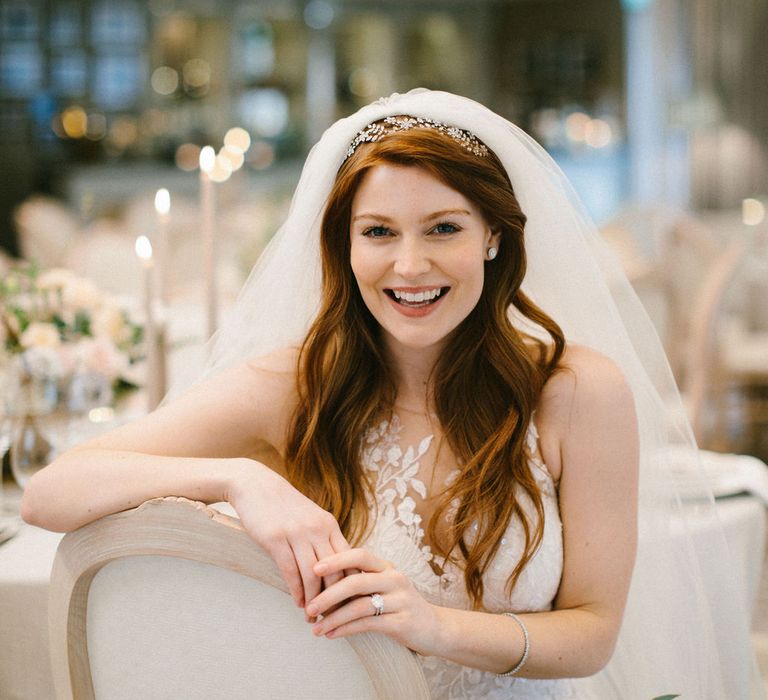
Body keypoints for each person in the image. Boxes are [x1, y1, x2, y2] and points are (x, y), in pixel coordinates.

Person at [22, 90, 762, 699]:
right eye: (378, 232)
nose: (410, 265)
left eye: (443, 228)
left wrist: (431, 624)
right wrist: (236, 476)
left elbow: (592, 634)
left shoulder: (577, 393)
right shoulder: (295, 385)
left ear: (493, 239)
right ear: (345, 247)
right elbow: (52, 491)